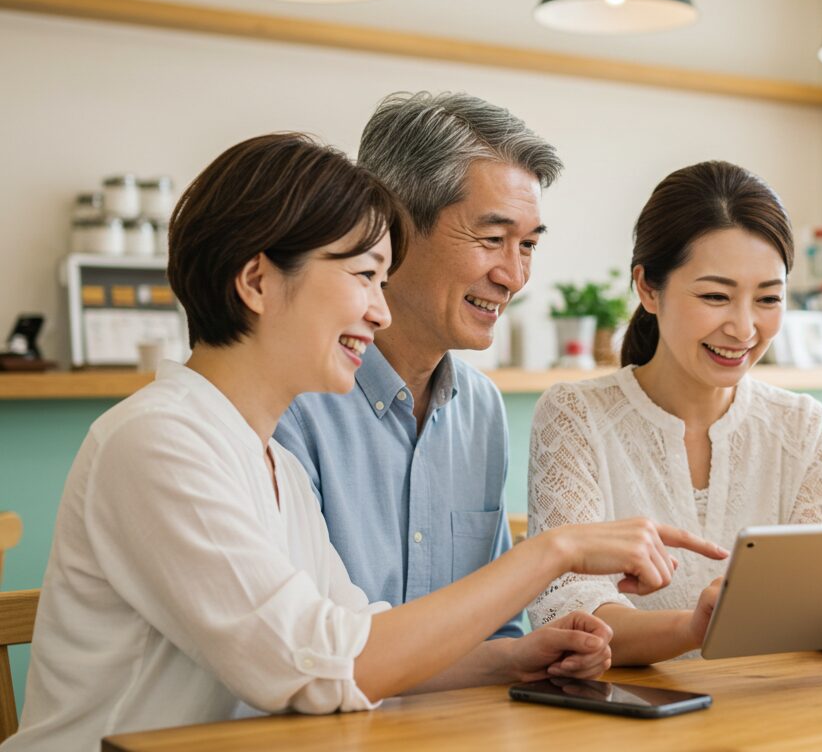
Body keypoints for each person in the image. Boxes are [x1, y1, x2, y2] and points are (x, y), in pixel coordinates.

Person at [5, 134, 723, 750]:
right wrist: (555, 550)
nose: (379, 311)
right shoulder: (158, 442)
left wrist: (513, 660)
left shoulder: (269, 459)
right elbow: (313, 667)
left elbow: (356, 640)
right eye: (363, 278)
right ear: (257, 280)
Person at [527, 161, 822, 673]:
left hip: (769, 717)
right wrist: (692, 629)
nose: (744, 328)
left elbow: (812, 605)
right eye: (715, 296)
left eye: (768, 298)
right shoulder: (575, 415)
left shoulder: (802, 425)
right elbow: (566, 609)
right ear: (647, 288)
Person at [273, 92, 563, 675]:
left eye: (528, 244)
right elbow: (310, 657)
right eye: (492, 238)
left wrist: (529, 654)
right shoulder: (289, 399)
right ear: (393, 229)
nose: (514, 275)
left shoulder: (479, 407)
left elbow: (494, 631)